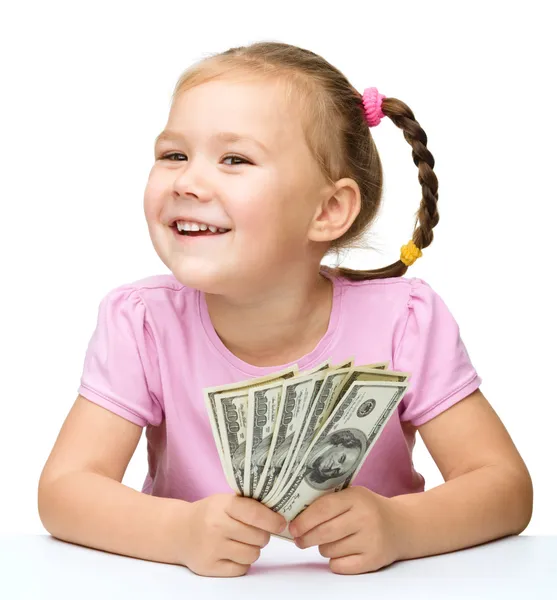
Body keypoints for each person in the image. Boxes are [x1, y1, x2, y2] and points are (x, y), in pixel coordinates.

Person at [37, 41, 533, 578]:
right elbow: (64, 491)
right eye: (173, 154)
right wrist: (177, 533)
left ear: (328, 210)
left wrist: (401, 526)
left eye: (235, 159)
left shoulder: (405, 321)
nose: (186, 181)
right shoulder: (141, 322)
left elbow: (504, 486)